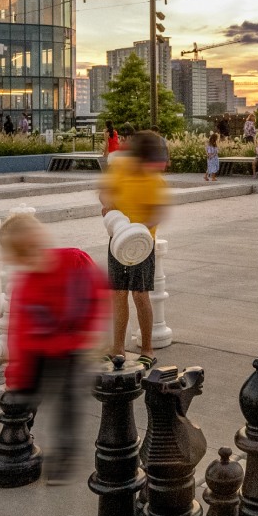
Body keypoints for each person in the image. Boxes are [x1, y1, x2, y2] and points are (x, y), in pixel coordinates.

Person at [0, 212, 107, 484]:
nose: (33, 256)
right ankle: (20, 434)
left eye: (35, 246)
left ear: (43, 239)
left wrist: (89, 331)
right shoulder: (25, 286)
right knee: (25, 396)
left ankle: (64, 456)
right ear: (16, 259)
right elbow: (19, 335)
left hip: (71, 350)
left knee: (68, 404)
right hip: (38, 351)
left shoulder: (74, 259)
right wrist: (15, 376)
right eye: (24, 253)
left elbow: (97, 292)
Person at [99, 130, 168, 366]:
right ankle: (117, 348)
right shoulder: (120, 169)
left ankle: (147, 350)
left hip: (142, 245)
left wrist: (137, 231)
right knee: (118, 294)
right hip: (117, 241)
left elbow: (158, 212)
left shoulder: (154, 179)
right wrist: (109, 206)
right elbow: (104, 193)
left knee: (140, 296)